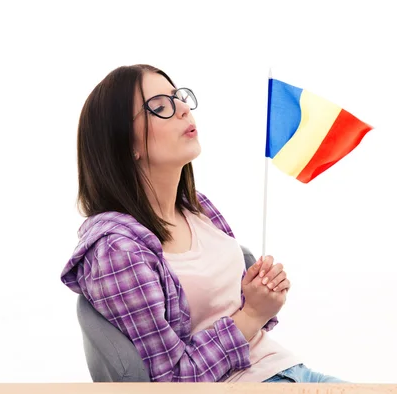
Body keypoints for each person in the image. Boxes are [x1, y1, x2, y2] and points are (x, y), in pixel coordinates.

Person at [60, 64, 344, 383]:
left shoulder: (199, 208)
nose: (183, 109)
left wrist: (264, 293)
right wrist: (252, 314)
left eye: (178, 97)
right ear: (126, 143)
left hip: (287, 370)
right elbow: (171, 382)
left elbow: (237, 309)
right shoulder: (118, 252)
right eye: (160, 106)